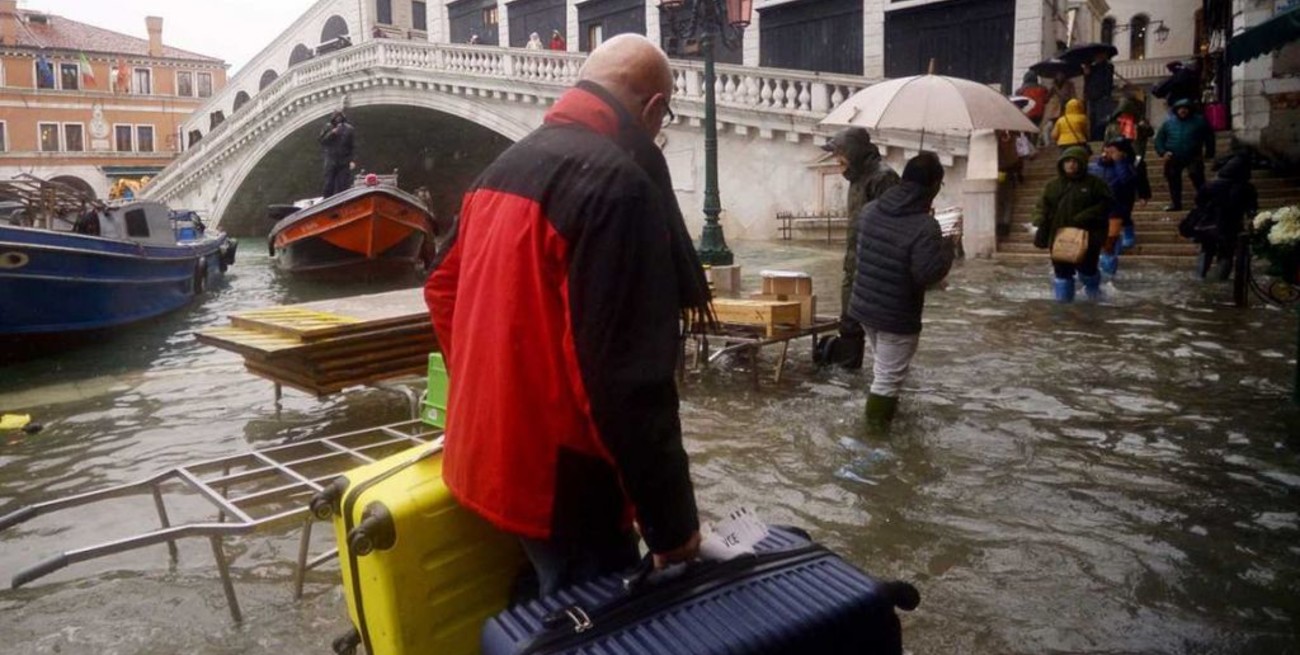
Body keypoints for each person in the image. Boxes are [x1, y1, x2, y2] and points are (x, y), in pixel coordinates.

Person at [424, 34, 710, 596]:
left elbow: (440, 289)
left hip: (479, 459)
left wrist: (496, 391)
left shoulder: (499, 169)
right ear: (653, 109)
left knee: (536, 609)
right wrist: (672, 525)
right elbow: (624, 381)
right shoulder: (618, 186)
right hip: (563, 489)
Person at [847, 152, 954, 434]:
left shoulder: (870, 211)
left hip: (864, 307)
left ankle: (887, 414)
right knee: (887, 378)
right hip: (896, 313)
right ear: (932, 186)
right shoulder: (925, 226)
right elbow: (926, 275)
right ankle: (874, 438)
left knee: (883, 370)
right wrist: (947, 247)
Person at [821, 127, 900, 369]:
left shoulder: (883, 177)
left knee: (878, 325)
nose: (837, 161)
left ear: (853, 153)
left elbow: (892, 225)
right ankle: (849, 369)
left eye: (840, 154)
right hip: (855, 260)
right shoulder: (856, 177)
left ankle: (884, 375)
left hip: (875, 264)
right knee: (849, 319)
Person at [1032, 146, 1112, 302]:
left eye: (1075, 161)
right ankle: (1064, 305)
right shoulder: (1053, 186)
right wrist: (1039, 218)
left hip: (1087, 236)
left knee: (1088, 270)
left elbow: (1106, 204)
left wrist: (1085, 216)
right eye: (1067, 161)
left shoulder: (1095, 184)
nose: (1071, 165)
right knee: (1062, 272)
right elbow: (1042, 205)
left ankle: (1094, 295)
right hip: (1060, 236)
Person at [1185, 153, 1257, 280]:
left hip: (1209, 224)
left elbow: (1199, 202)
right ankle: (1220, 280)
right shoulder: (1247, 188)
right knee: (1226, 253)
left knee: (1206, 250)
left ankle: (1199, 277)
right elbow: (1251, 208)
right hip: (1232, 225)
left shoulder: (1210, 185)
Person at [1087, 138, 1139, 276]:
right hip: (1096, 211)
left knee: (1109, 244)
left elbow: (1126, 181)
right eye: (1106, 150)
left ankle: (1108, 273)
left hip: (1116, 210)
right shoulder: (1093, 167)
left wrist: (1119, 161)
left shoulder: (1126, 166)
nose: (1108, 153)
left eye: (1113, 151)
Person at [1154, 98, 1214, 211]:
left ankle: (1206, 202)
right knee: (1173, 180)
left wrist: (1210, 153)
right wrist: (1162, 152)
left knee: (1197, 177)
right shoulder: (1168, 123)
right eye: (1180, 109)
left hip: (1193, 155)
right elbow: (1159, 140)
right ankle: (1176, 204)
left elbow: (1209, 137)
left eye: (1185, 108)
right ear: (1176, 110)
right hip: (1173, 155)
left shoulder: (1199, 121)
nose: (1183, 111)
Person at [318, 110, 355, 198]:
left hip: (344, 159)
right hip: (331, 159)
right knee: (329, 182)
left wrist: (352, 160)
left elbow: (352, 146)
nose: (338, 119)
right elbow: (322, 141)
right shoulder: (328, 127)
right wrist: (332, 133)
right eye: (336, 117)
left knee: (343, 183)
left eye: (340, 117)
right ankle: (327, 200)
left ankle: (343, 199)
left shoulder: (349, 129)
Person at [1081, 51, 1116, 143]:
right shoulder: (1092, 68)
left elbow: (1108, 81)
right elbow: (1087, 82)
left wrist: (1107, 94)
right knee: (1093, 117)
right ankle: (1094, 137)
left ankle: (1100, 137)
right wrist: (1087, 74)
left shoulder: (1108, 66)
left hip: (1102, 95)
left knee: (1102, 118)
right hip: (1092, 96)